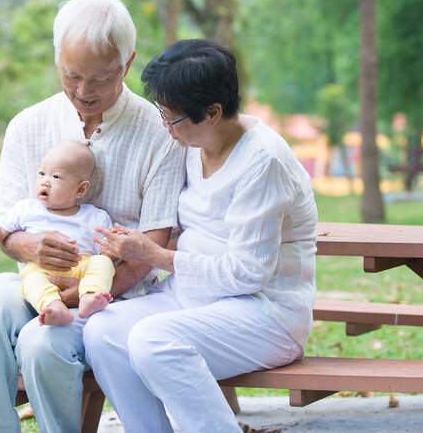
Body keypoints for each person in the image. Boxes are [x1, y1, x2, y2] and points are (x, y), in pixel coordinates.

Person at [0, 0, 186, 433]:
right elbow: (7, 230)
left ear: (128, 62)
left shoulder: (158, 134)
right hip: (36, 282)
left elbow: (155, 243)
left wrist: (86, 297)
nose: (83, 90)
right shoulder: (28, 125)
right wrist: (30, 247)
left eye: (100, 77)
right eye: (71, 74)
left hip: (112, 296)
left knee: (43, 343)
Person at [83, 39, 318, 432]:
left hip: (265, 313)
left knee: (153, 341)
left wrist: (155, 256)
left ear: (212, 112)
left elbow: (248, 274)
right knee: (103, 331)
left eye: (172, 118)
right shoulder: (192, 144)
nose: (165, 127)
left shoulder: (264, 162)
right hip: (193, 300)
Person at [0, 141, 116, 325]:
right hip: (40, 269)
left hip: (80, 270)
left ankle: (90, 296)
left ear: (81, 189)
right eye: (42, 173)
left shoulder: (95, 217)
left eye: (56, 177)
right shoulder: (27, 209)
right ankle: (52, 307)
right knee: (31, 279)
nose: (45, 181)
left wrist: (110, 254)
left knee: (102, 263)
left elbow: (106, 252)